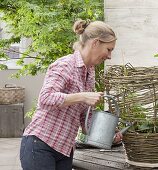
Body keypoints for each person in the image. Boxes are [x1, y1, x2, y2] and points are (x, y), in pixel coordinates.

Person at [20, 19, 122, 170]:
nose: (109, 56)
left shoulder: (90, 72)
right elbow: (45, 98)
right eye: (109, 49)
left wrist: (107, 134)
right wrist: (82, 96)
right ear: (95, 43)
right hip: (41, 144)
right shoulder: (65, 65)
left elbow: (84, 118)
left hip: (65, 150)